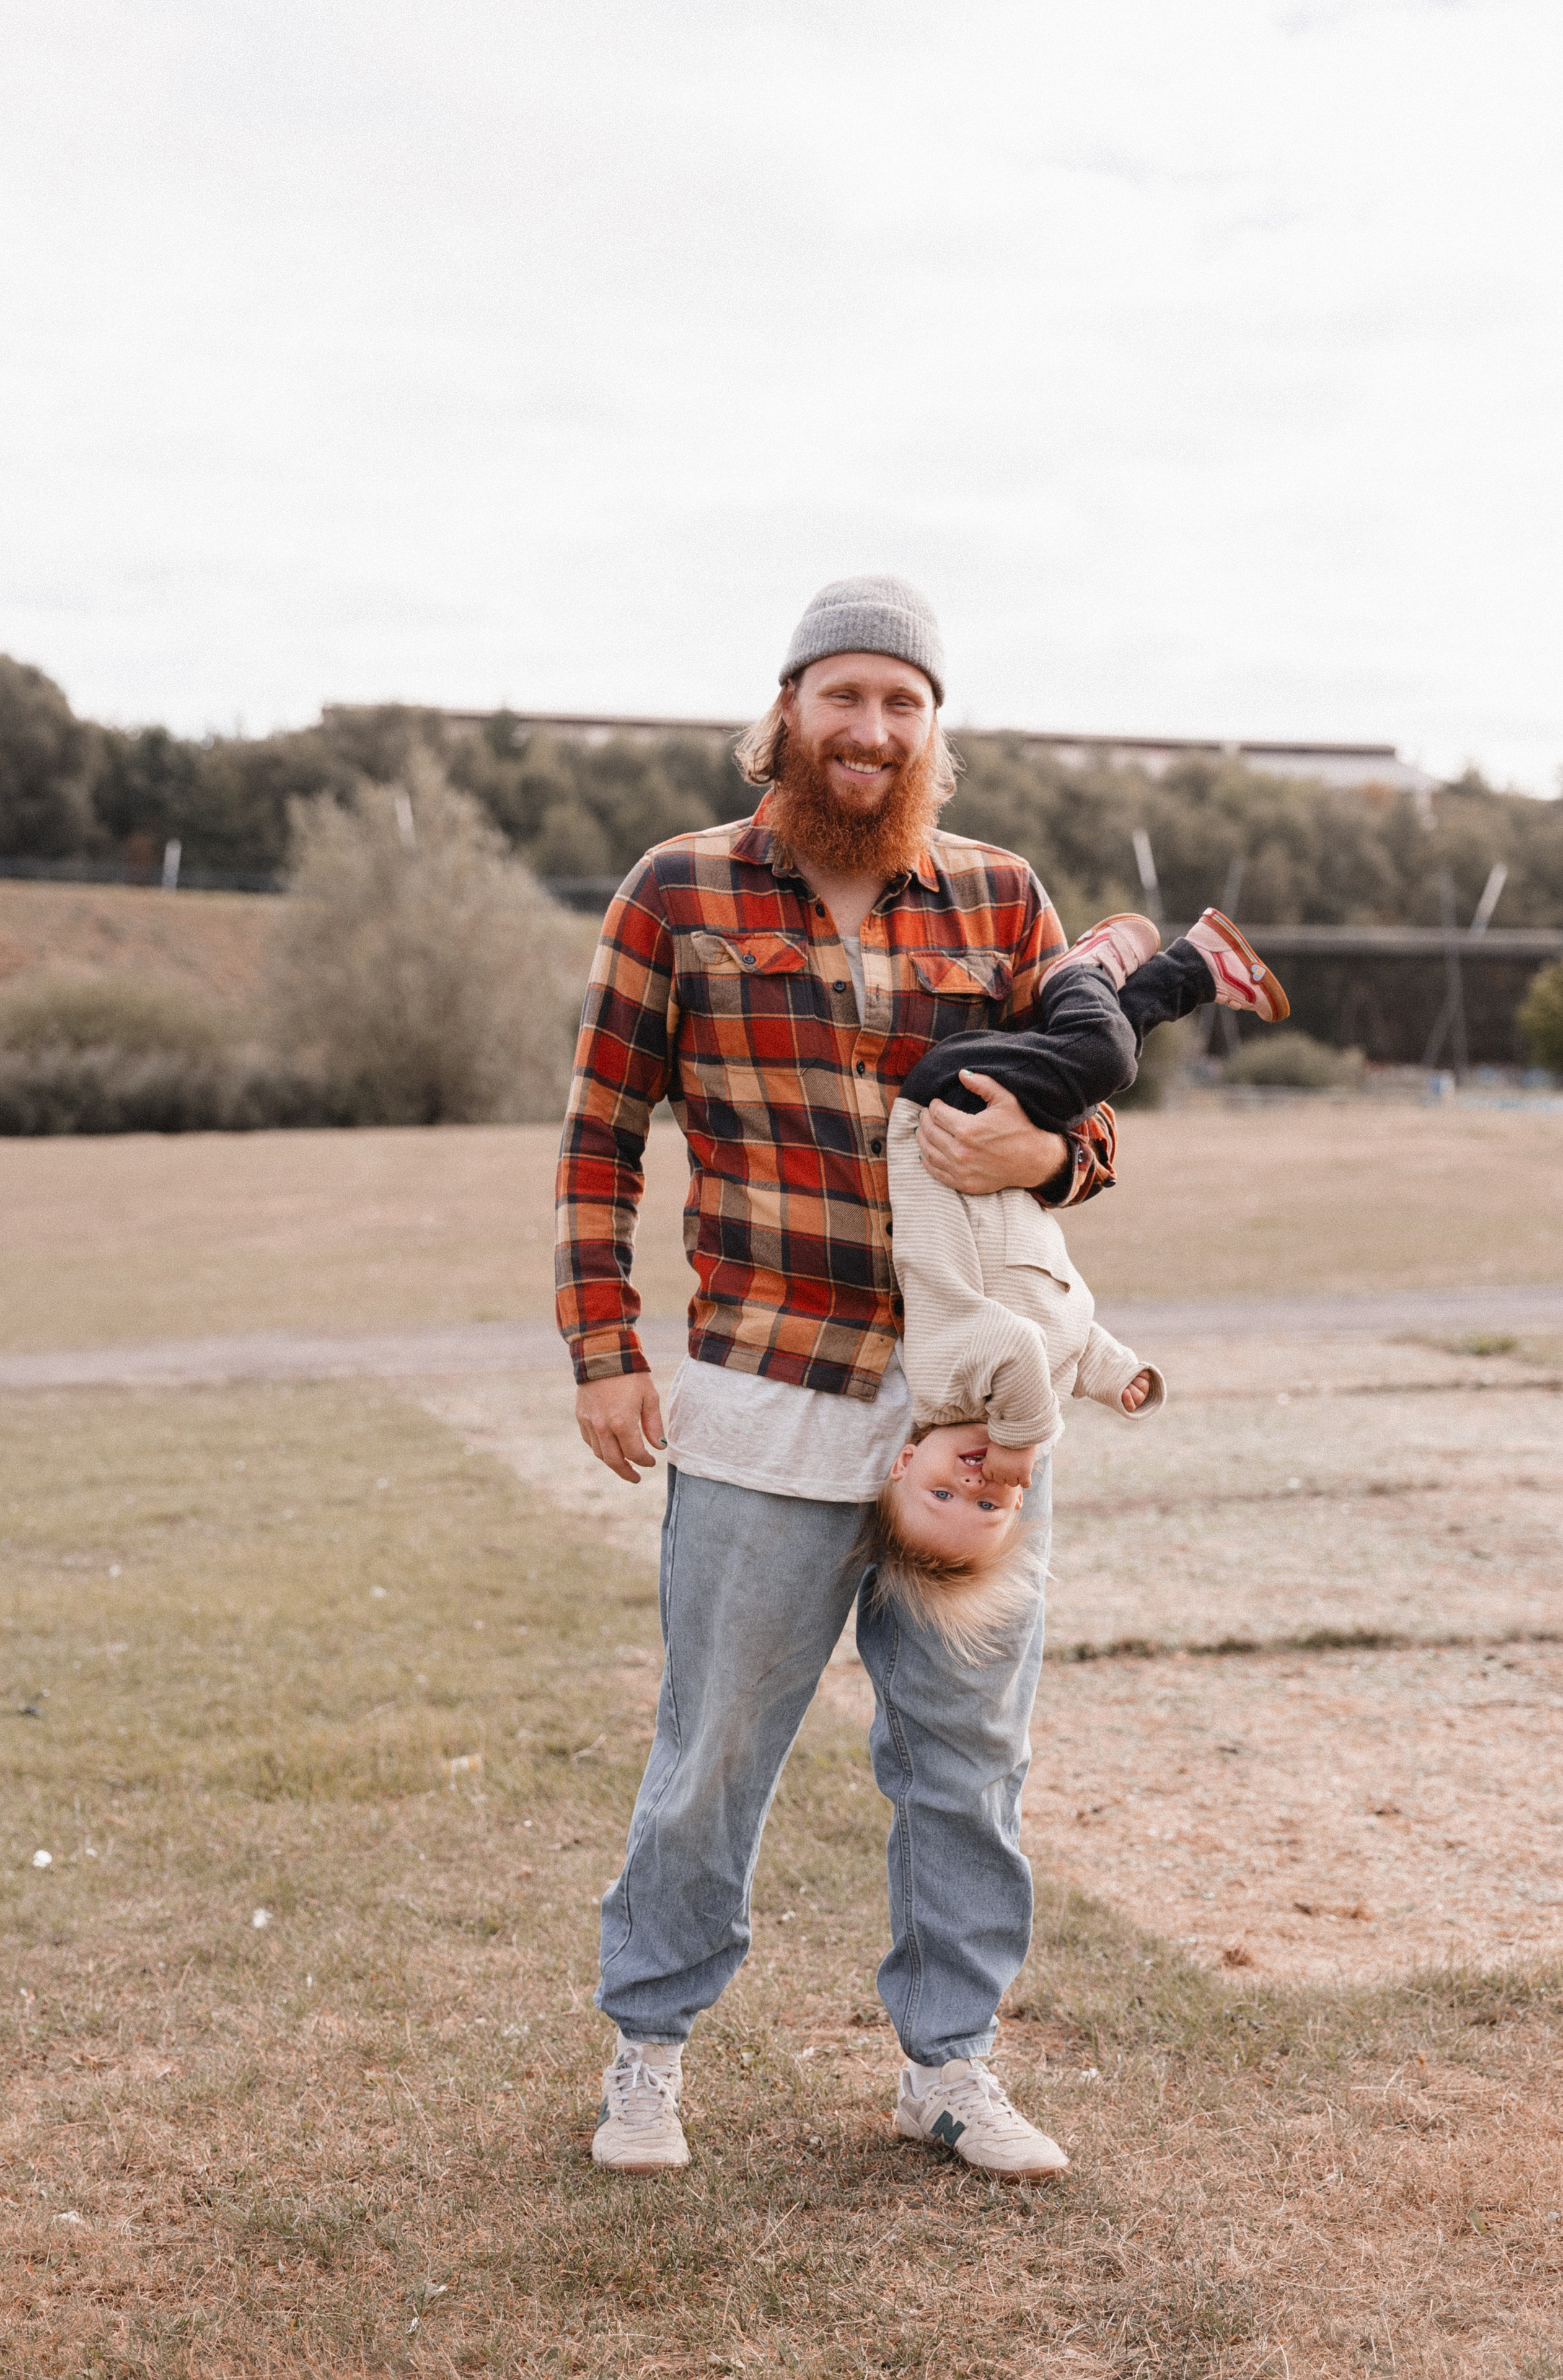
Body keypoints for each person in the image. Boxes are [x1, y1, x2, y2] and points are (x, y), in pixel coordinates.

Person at [560, 575, 1117, 2184]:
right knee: (714, 1748)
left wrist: (1045, 1158)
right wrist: (604, 1347)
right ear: (789, 710)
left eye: (902, 703)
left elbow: (1090, 1125)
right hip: (765, 1385)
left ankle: (951, 2068)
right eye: (844, 696)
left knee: (968, 1755)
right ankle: (648, 2054)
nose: (871, 729)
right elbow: (601, 1135)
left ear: (933, 728)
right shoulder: (677, 892)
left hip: (973, 1411)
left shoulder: (1003, 897)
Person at [874, 908, 1288, 1651]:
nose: (972, 1485)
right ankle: (1196, 967)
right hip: (975, 1125)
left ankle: (1083, 969)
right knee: (1096, 1057)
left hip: (944, 1112)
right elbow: (1062, 1329)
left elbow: (1017, 1344)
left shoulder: (946, 1380)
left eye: (941, 1493)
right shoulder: (1013, 1398)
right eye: (987, 1508)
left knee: (1101, 1056)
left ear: (905, 1462)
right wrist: (1116, 1375)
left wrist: (1022, 1442)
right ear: (1017, 1503)